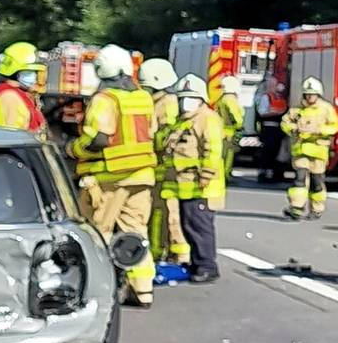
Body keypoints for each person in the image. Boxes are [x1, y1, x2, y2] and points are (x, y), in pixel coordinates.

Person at [70, 45, 158, 307]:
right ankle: (143, 290)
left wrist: (72, 149)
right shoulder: (144, 98)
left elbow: (98, 139)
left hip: (109, 177)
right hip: (142, 176)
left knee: (99, 232)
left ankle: (97, 289)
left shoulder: (105, 99)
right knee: (136, 233)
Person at [169, 74, 225, 283]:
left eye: (191, 98)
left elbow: (212, 150)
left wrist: (205, 176)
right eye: (183, 98)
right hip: (186, 184)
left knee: (200, 227)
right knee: (189, 224)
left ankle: (207, 266)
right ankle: (196, 262)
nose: (186, 102)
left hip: (202, 186)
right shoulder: (184, 121)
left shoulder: (207, 119)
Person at [138, 58, 186, 279]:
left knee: (168, 213)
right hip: (156, 167)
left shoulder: (166, 103)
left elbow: (165, 135)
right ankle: (162, 252)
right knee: (158, 213)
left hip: (165, 168)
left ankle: (177, 255)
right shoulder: (157, 101)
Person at [282, 77, 338, 220]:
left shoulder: (326, 109)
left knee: (317, 182)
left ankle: (317, 208)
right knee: (299, 180)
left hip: (318, 152)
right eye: (307, 94)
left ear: (318, 94)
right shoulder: (297, 109)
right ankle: (296, 207)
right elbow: (285, 123)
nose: (310, 97)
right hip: (301, 151)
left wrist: (319, 129)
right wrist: (294, 129)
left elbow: (335, 126)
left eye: (312, 94)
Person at [0, 41, 46, 132]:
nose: (36, 77)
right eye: (31, 72)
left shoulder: (22, 96)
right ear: (16, 73)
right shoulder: (10, 98)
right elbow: (11, 137)